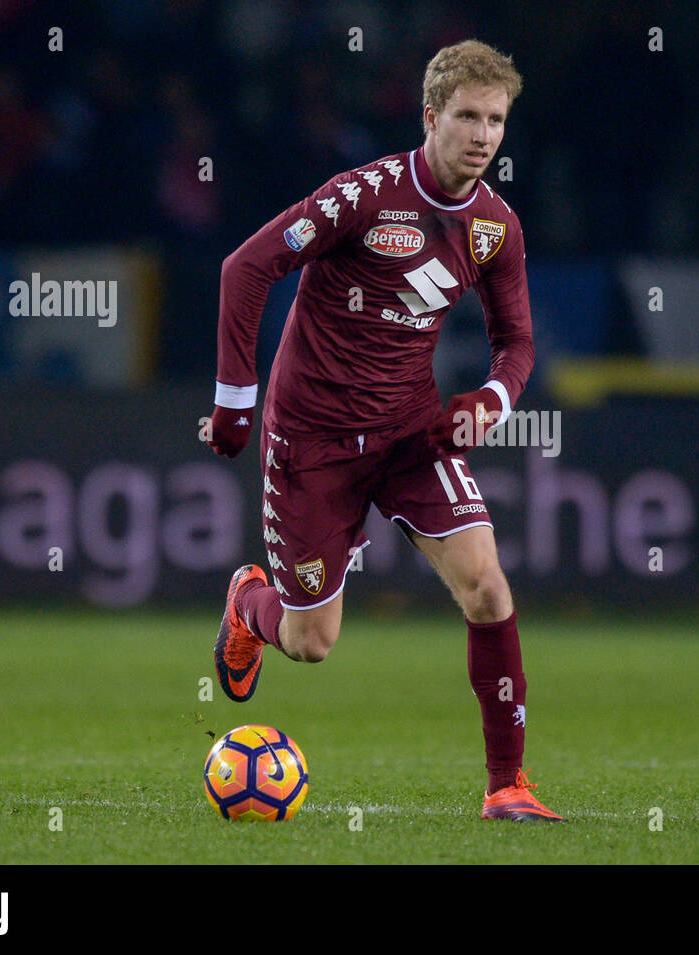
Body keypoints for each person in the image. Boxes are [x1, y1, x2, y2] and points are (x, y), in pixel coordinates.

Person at [205, 40, 562, 822]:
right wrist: (236, 400)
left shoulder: (496, 228)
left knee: (488, 586)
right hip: (311, 441)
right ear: (431, 116)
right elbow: (246, 268)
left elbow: (519, 342)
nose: (482, 135)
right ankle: (247, 605)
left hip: (408, 434)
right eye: (467, 116)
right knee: (310, 643)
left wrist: (491, 400)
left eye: (496, 120)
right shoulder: (361, 197)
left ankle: (507, 783)